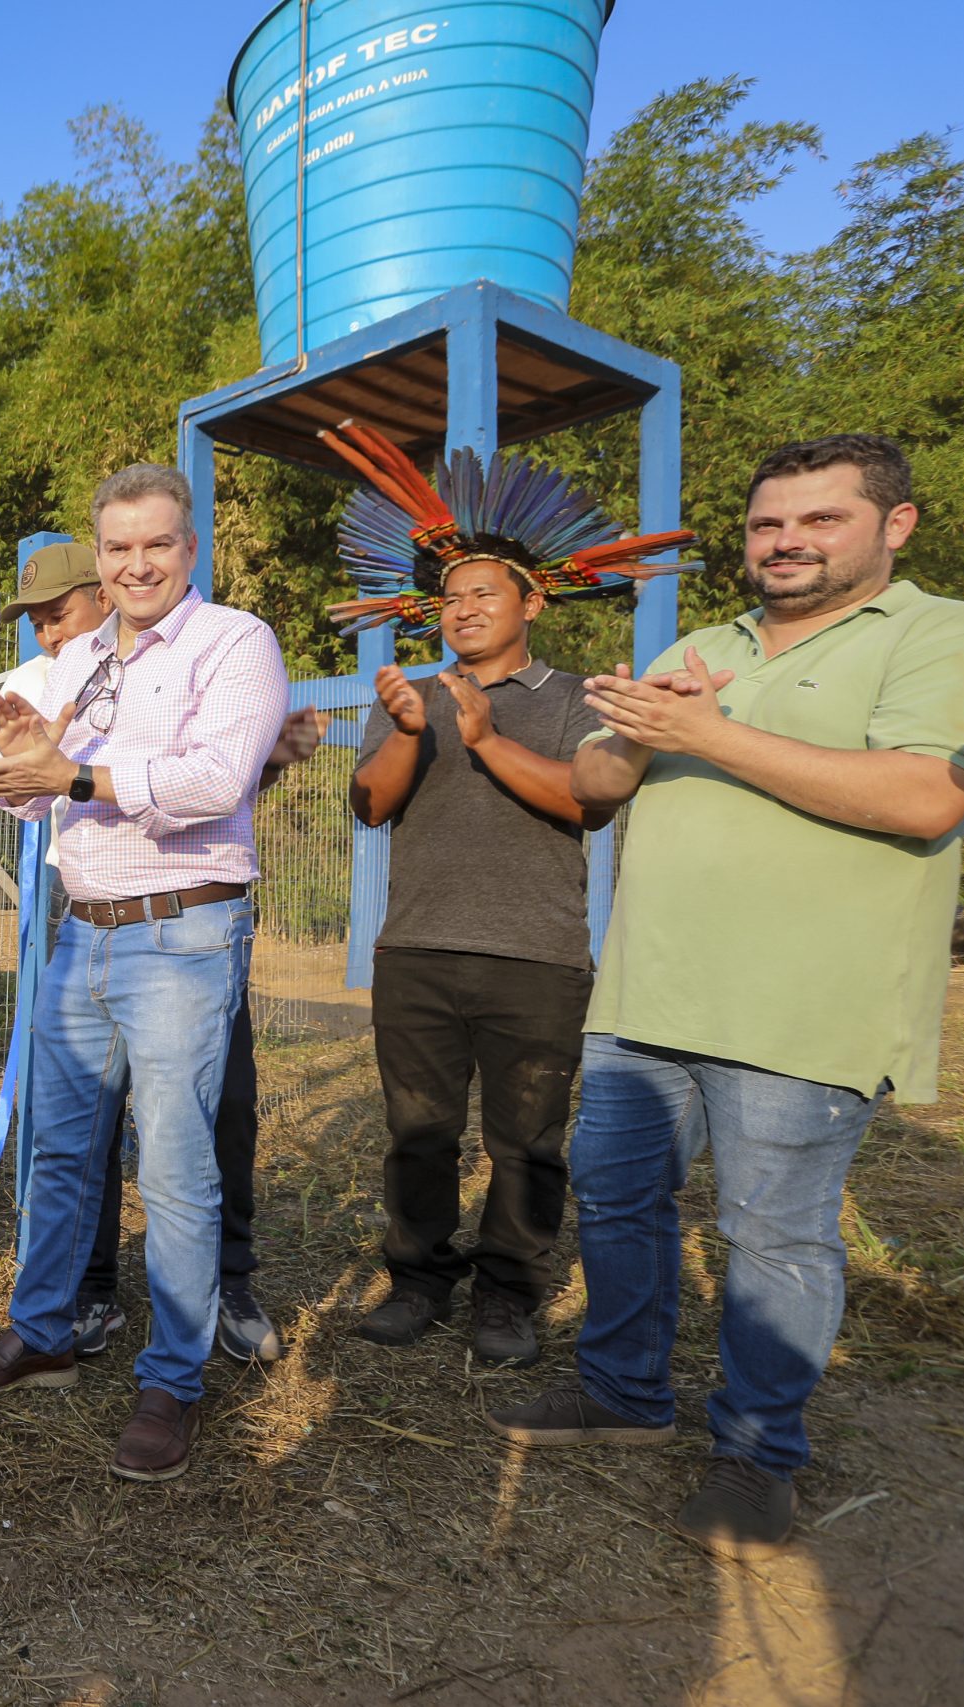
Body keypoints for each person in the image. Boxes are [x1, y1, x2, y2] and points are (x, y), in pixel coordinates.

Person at [488, 434, 964, 1559]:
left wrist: (709, 734)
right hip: (646, 989)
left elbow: (927, 796)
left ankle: (758, 1451)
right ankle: (623, 1393)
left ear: (894, 526)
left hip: (804, 1003)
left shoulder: (944, 633)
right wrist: (639, 735)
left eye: (820, 520)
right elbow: (590, 781)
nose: (785, 543)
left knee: (771, 1236)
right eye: (769, 523)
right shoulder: (701, 642)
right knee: (618, 1199)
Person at [0, 539, 322, 1365]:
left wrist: (263, 765)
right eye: (32, 621)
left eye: (56, 613)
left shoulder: (211, 649)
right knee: (73, 1129)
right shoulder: (43, 680)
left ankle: (223, 1294)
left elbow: (211, 787)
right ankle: (86, 1297)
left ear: (102, 592)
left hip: (188, 921)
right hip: (85, 912)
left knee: (212, 1120)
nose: (44, 635)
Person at [0, 463, 290, 1484]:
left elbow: (216, 784)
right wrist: (28, 760)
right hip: (79, 933)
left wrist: (72, 770)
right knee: (57, 1152)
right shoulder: (81, 657)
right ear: (101, 557)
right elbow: (41, 803)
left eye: (157, 544)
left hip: (181, 932)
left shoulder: (234, 643)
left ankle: (171, 1378)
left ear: (189, 549)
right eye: (119, 548)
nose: (137, 564)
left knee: (175, 1167)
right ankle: (43, 1330)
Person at [329, 419, 696, 1370]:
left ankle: (509, 1294)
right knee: (418, 1133)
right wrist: (412, 727)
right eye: (449, 598)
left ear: (531, 600)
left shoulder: (576, 697)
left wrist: (486, 737)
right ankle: (416, 1278)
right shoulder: (404, 696)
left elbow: (585, 798)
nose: (461, 609)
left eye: (482, 593)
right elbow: (371, 806)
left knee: (528, 1140)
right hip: (416, 949)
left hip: (536, 956)